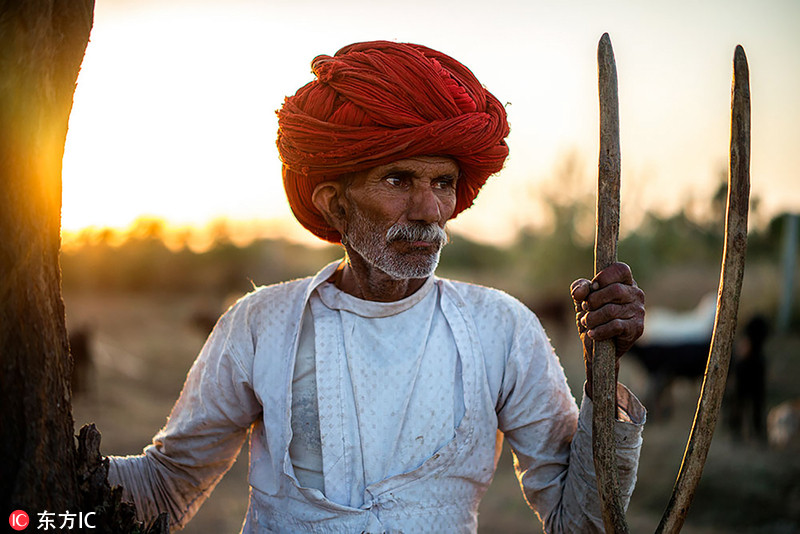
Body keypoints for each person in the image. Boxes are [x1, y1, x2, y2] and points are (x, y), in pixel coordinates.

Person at [109, 40, 646, 533]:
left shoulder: (501, 328)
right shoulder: (259, 325)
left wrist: (605, 381)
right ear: (333, 202)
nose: (429, 210)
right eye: (398, 180)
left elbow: (580, 524)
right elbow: (164, 487)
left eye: (442, 183)